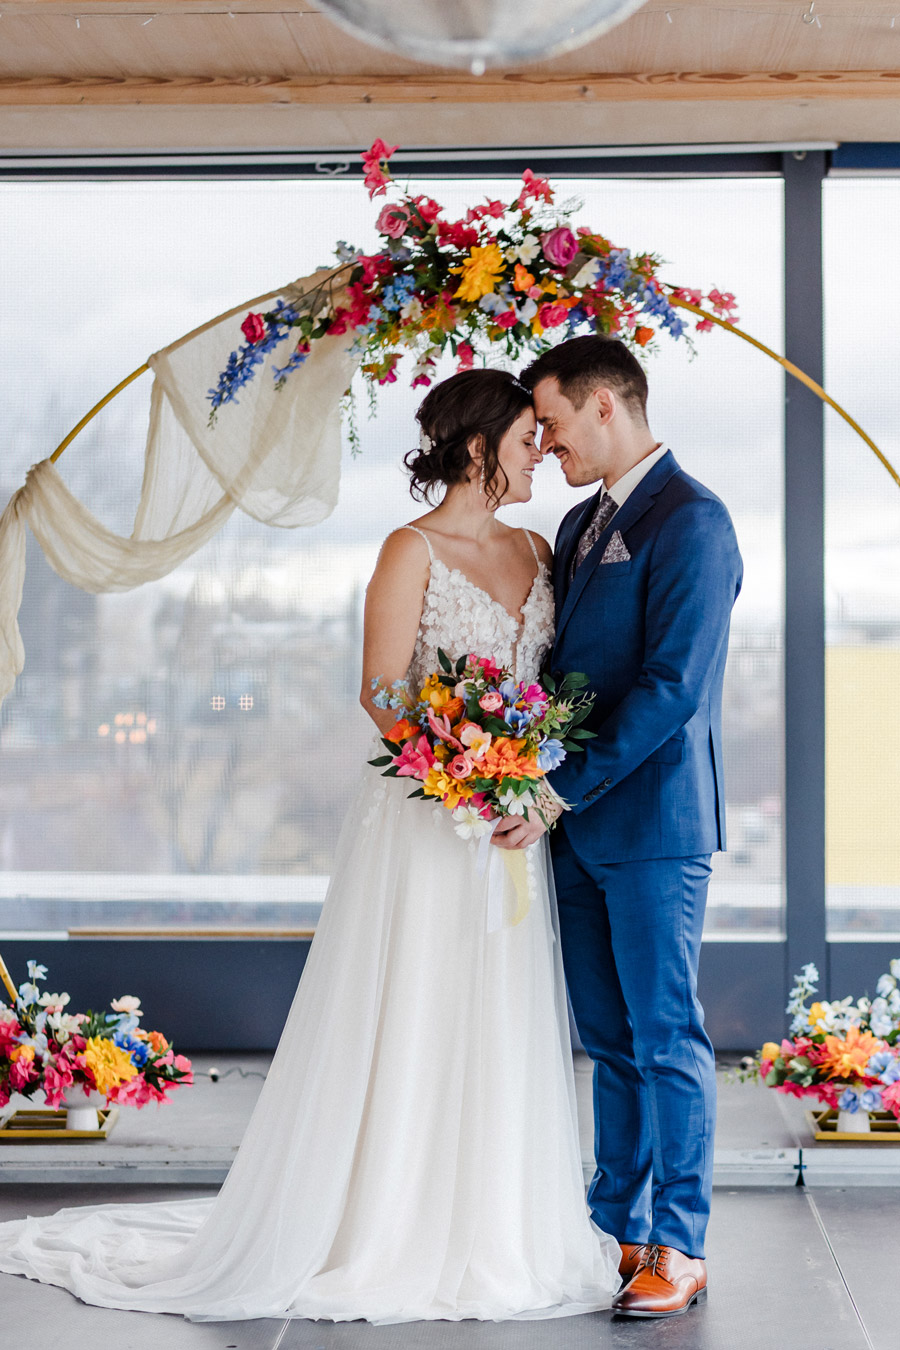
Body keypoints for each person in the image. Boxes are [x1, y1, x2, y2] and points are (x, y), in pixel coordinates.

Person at [0, 368, 620, 1323]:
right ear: (476, 448)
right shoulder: (408, 549)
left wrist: (521, 775)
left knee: (495, 1010)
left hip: (509, 825)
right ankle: (384, 1222)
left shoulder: (544, 547)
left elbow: (551, 685)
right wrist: (462, 766)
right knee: (414, 1003)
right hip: (426, 818)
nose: (542, 448)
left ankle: (492, 1222)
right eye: (527, 436)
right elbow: (380, 690)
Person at [491, 336, 743, 1319]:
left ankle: (681, 1243)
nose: (544, 444)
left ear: (606, 406)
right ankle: (617, 1229)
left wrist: (561, 788)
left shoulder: (696, 521)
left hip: (653, 823)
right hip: (576, 823)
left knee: (667, 1035)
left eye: (550, 422)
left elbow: (673, 690)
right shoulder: (577, 518)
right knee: (607, 1038)